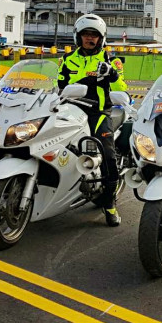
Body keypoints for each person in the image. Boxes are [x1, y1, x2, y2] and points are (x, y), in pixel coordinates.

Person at [57, 14, 124, 227]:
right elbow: (57, 87)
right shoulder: (67, 60)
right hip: (69, 111)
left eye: (94, 34)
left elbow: (121, 88)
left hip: (98, 113)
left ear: (101, 38)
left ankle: (110, 204)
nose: (90, 38)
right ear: (78, 36)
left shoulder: (110, 60)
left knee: (107, 153)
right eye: (86, 34)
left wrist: (112, 74)